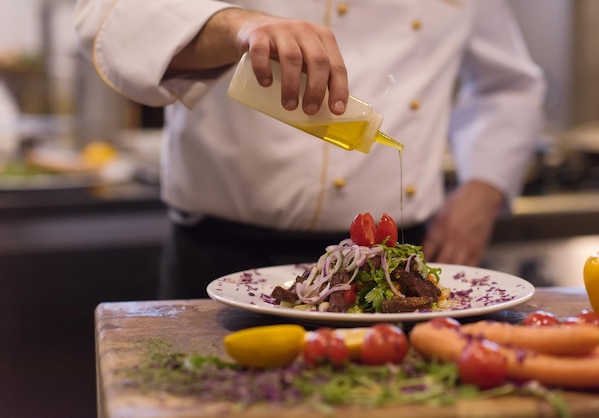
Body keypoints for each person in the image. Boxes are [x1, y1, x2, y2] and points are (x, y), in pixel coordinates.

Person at [74, 0, 546, 299]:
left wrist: (484, 188)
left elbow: (507, 86)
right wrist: (237, 26)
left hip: (398, 270)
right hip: (221, 255)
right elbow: (109, 15)